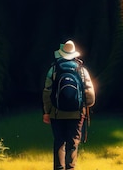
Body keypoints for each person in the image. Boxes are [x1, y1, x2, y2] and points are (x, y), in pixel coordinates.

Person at [42, 39, 95, 170]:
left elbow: (47, 92)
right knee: (73, 143)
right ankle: (70, 168)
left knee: (59, 142)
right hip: (77, 113)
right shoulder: (82, 70)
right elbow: (89, 93)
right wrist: (86, 105)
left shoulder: (54, 69)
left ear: (62, 53)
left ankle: (59, 168)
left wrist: (47, 112)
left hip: (56, 113)